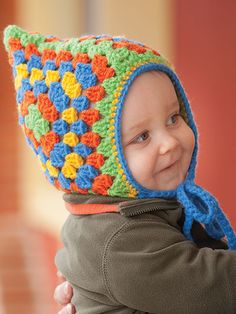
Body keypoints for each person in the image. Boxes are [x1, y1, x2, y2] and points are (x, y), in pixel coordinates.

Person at [3, 25, 236, 314]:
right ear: (100, 164)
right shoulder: (118, 241)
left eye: (174, 118)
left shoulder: (145, 209)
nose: (169, 142)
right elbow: (215, 286)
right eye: (142, 136)